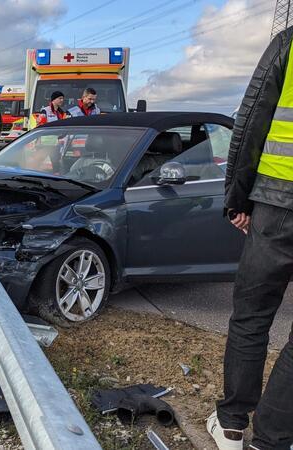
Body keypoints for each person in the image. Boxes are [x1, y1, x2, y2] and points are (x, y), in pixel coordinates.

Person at [209, 27, 293, 450]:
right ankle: (273, 440)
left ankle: (231, 426)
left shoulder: (290, 43)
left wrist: (237, 199)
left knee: (251, 317)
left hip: (278, 207)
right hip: (277, 203)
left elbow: (251, 122)